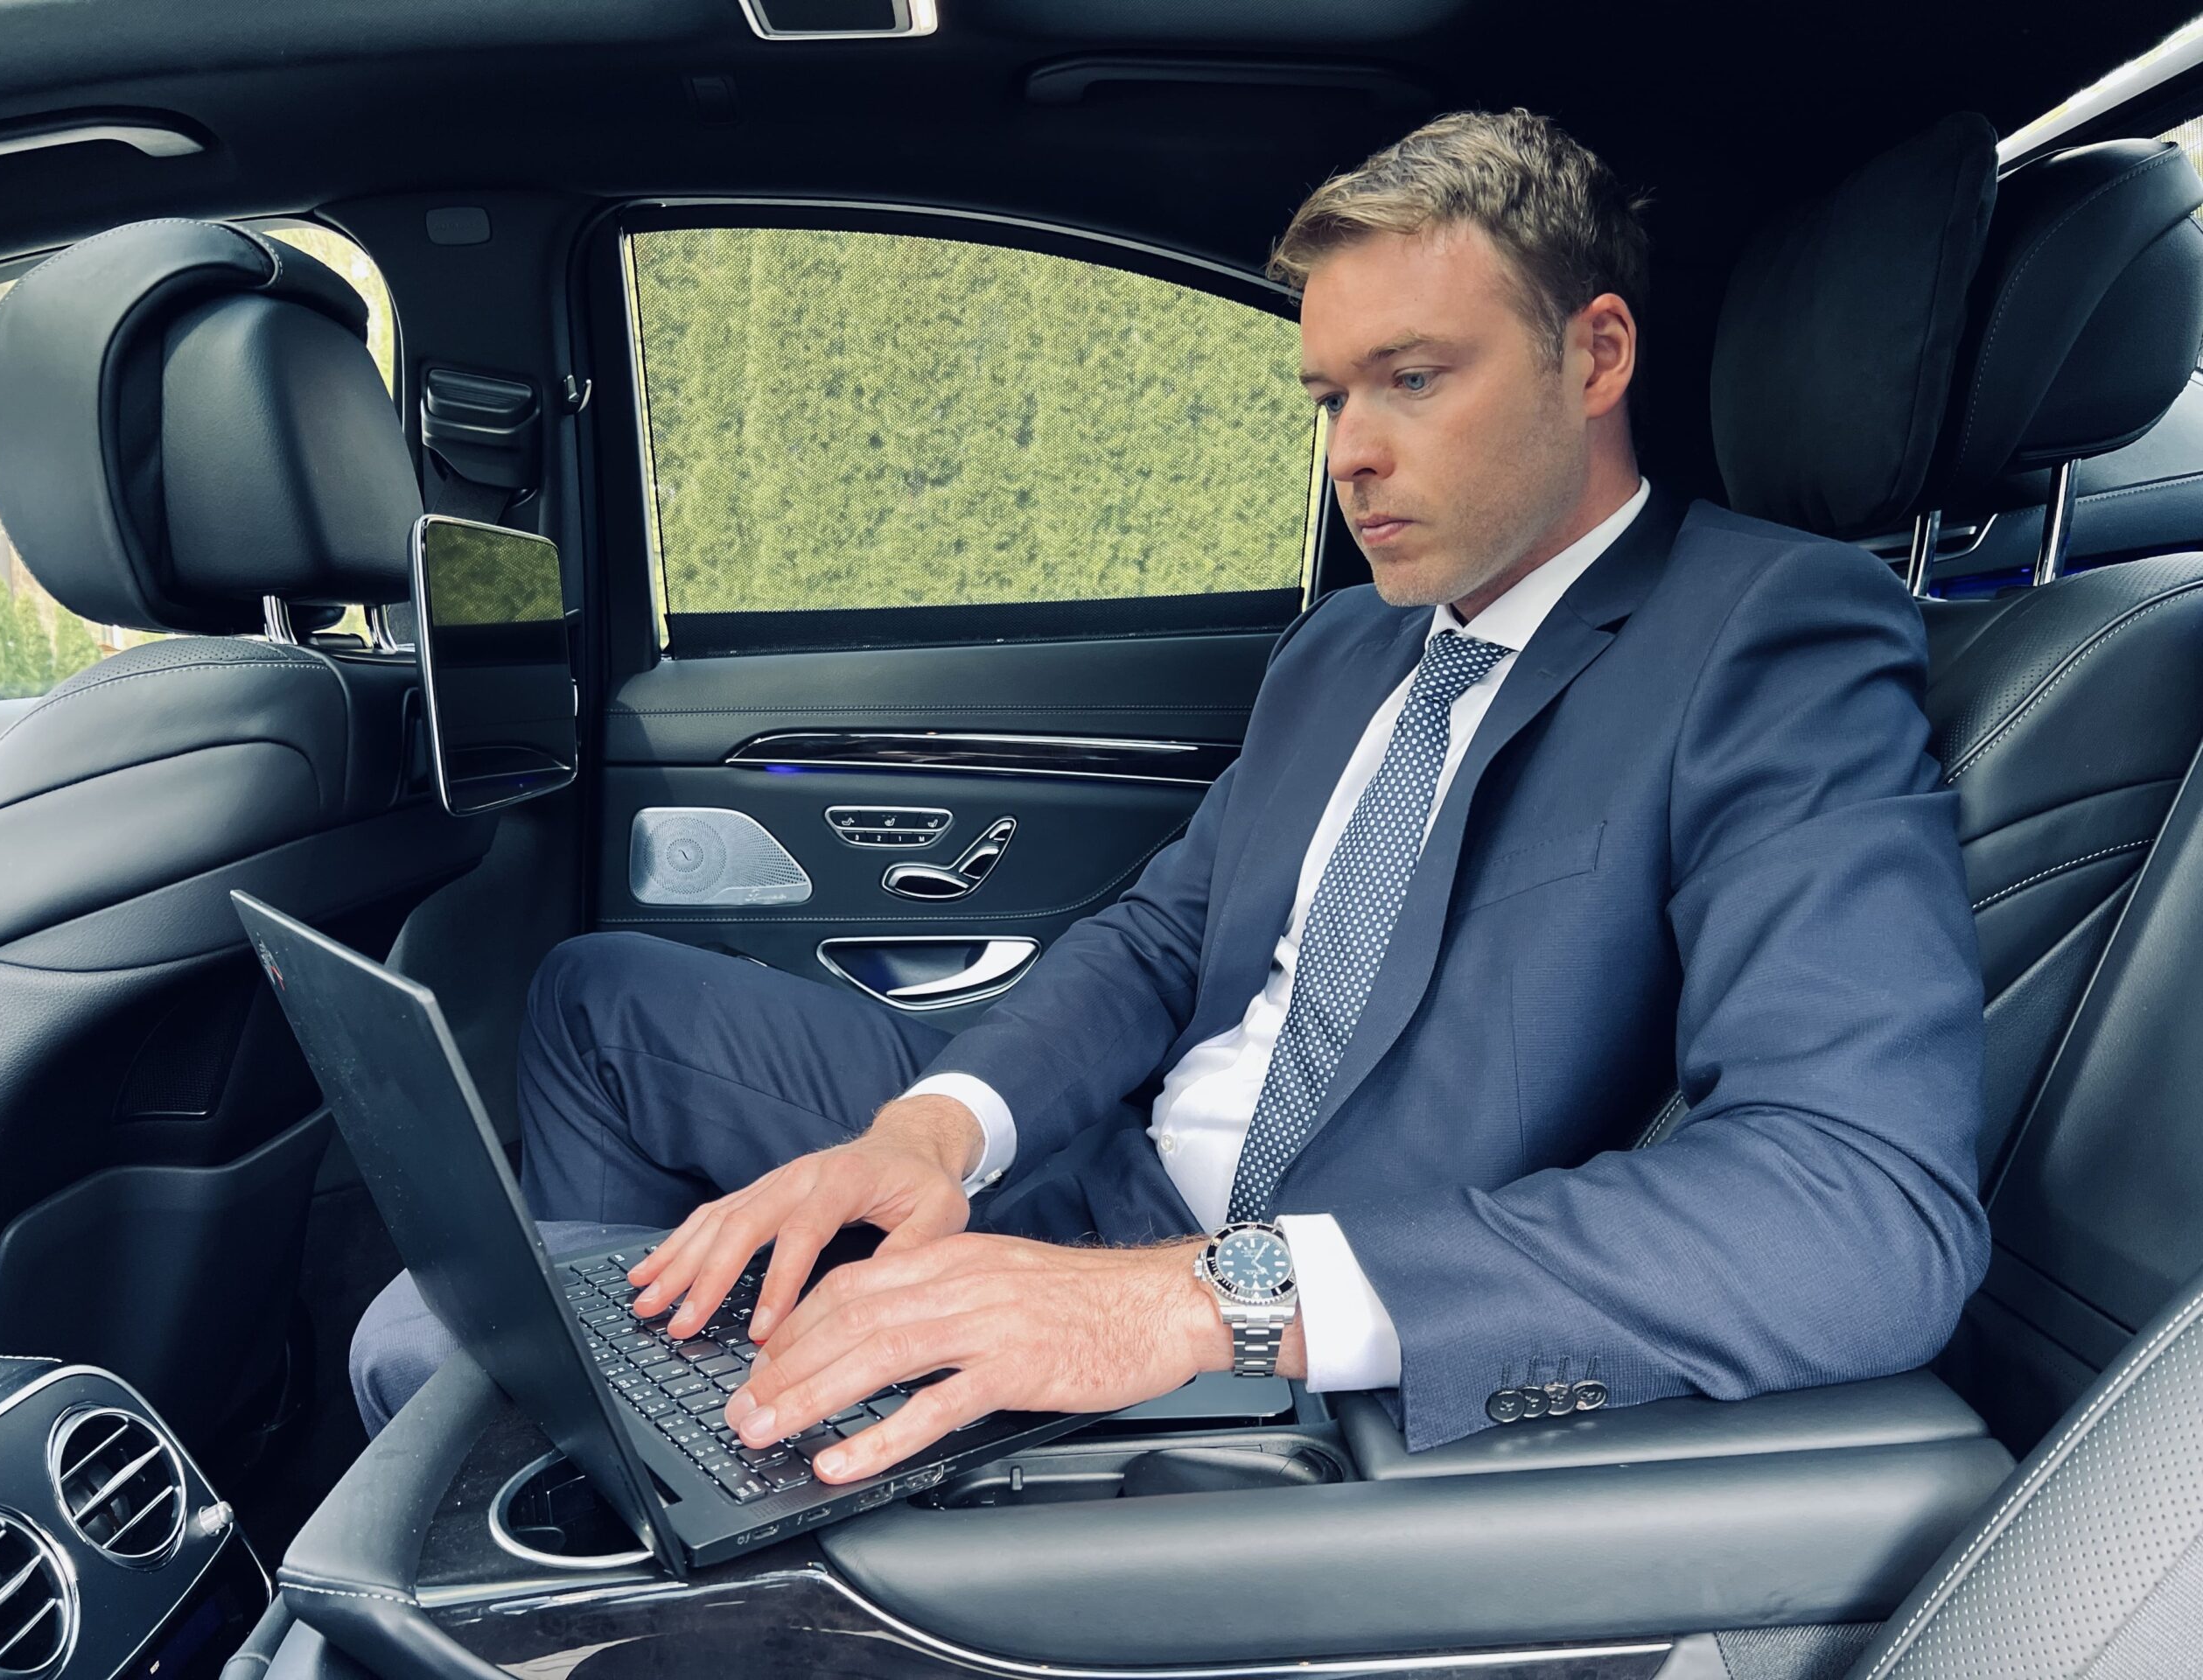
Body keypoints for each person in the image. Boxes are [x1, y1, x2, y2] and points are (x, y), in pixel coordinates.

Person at [353, 109, 1989, 1481]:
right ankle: (655, 1452)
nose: (1350, 451)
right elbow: (1160, 939)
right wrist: (938, 1133)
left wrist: (1197, 1302)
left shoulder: (1770, 637)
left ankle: (656, 1464)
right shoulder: (1349, 645)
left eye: (1414, 378)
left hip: (1291, 1313)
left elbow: (1863, 1210)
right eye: (1331, 396)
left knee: (419, 1347)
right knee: (598, 1002)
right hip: (1109, 1177)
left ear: (1596, 357)